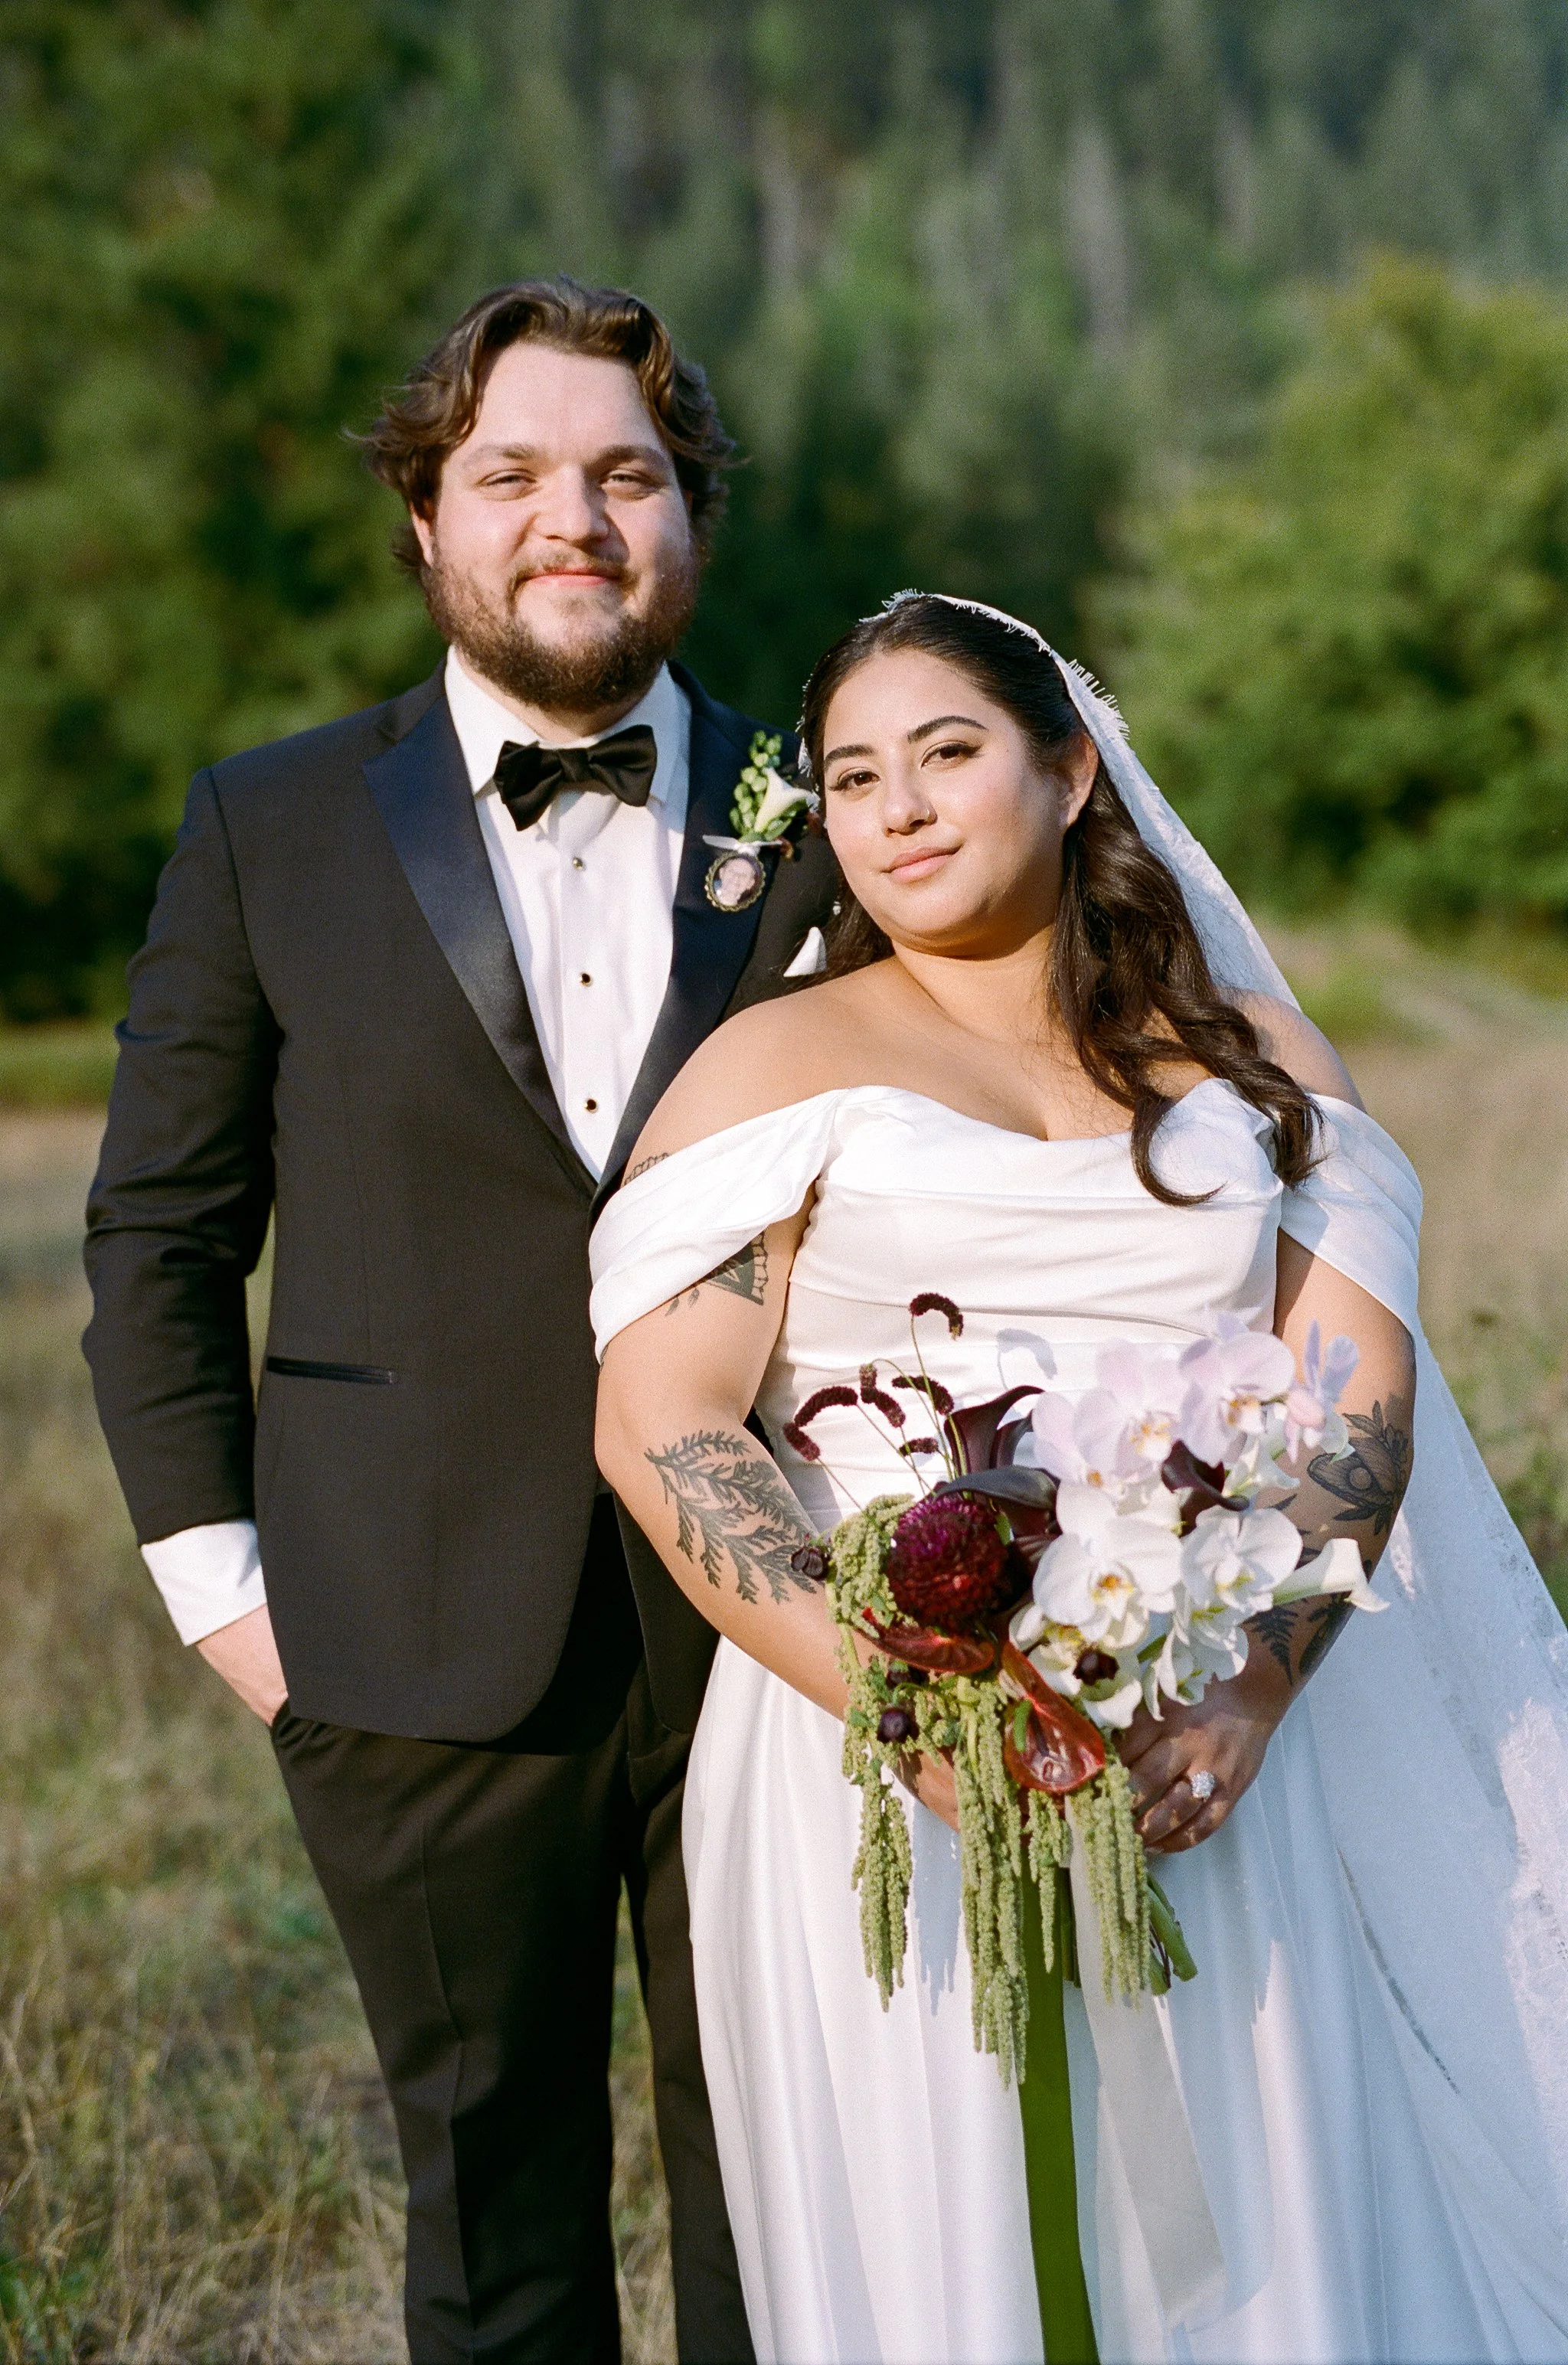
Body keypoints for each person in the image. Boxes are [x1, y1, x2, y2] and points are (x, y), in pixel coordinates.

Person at [592, 593, 1568, 2364]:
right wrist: (914, 1708)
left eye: (945, 752)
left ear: (1069, 771)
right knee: (954, 2239)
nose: (896, 807)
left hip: (1209, 1737)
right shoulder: (770, 1066)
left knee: (1262, 2212)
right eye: (852, 776)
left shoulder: (1262, 1065)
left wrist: (1251, 1680)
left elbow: (1352, 1410)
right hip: (872, 1761)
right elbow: (665, 1420)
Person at [82, 276, 839, 2364]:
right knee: (493, 2231)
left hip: (785, 1643)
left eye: (625, 475)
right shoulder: (266, 825)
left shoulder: (832, 816)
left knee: (797, 2206)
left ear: (692, 518)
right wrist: (235, 1610)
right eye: (511, 473)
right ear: (428, 520)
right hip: (396, 1643)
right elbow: (158, 1237)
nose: (571, 518)